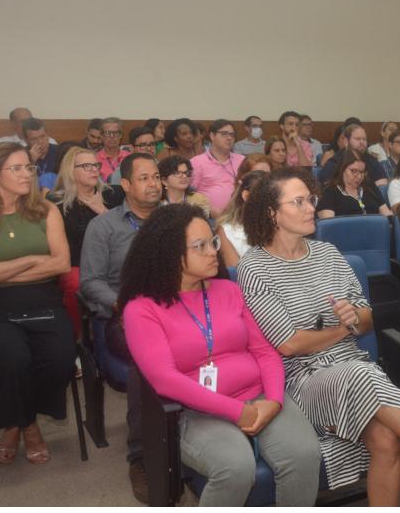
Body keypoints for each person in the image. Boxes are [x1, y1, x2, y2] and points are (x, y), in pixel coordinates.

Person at [238, 168, 400, 506]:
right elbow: (289, 344)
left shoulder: (328, 254)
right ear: (272, 213)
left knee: (386, 439)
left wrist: (354, 317)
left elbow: (367, 318)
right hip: (303, 380)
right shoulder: (255, 267)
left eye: (310, 199)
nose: (310, 208)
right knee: (362, 372)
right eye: (299, 202)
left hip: (351, 366)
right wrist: (343, 329)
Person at [119, 203, 320, 506]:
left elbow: (265, 351)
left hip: (258, 396)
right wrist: (236, 411)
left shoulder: (228, 290)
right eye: (200, 246)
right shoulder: (142, 309)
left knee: (304, 454)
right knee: (235, 468)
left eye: (212, 242)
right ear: (170, 253)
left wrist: (274, 400)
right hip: (196, 411)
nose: (214, 251)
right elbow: (165, 379)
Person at [80, 152, 162, 502]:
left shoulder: (176, 220)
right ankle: (141, 456)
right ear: (125, 184)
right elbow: (90, 282)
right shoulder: (104, 227)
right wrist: (123, 304)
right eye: (144, 178)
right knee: (150, 357)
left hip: (175, 309)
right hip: (124, 315)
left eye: (156, 176)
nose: (153, 184)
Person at [0, 143, 74, 466]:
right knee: (13, 359)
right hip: (0, 307)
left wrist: (5, 271)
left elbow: (61, 263)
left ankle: (18, 421)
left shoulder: (46, 210)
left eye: (28, 168)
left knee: (61, 358)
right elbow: (47, 261)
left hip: (44, 299)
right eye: (16, 168)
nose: (26, 174)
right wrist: (31, 259)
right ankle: (27, 426)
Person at [50, 147, 124, 336]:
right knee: (75, 283)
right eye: (86, 166)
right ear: (71, 171)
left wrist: (102, 211)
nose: (94, 170)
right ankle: (78, 337)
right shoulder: (57, 203)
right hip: (77, 263)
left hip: (113, 260)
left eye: (95, 165)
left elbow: (126, 233)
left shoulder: (113, 194)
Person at [190, 120, 246, 218]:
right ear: (212, 136)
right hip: (209, 218)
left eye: (232, 134)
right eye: (224, 134)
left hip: (240, 216)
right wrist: (208, 210)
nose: (229, 138)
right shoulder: (196, 162)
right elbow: (189, 194)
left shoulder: (242, 160)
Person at [315, 151, 392, 219]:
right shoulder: (330, 191)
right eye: (354, 171)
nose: (359, 177)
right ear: (342, 169)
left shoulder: (370, 186)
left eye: (362, 172)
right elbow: (328, 224)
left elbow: (386, 215)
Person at [217, 171, 266, 267]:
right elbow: (236, 271)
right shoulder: (226, 231)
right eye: (266, 197)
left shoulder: (282, 225)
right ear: (246, 196)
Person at [318, 124, 386, 187]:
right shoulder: (335, 161)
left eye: (364, 139)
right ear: (346, 142)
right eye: (358, 139)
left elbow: (382, 182)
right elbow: (327, 184)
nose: (362, 142)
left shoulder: (371, 160)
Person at [96, 117, 130, 182]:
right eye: (107, 133)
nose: (112, 136)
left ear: (121, 135)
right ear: (101, 136)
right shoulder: (95, 159)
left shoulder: (129, 157)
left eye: (116, 133)